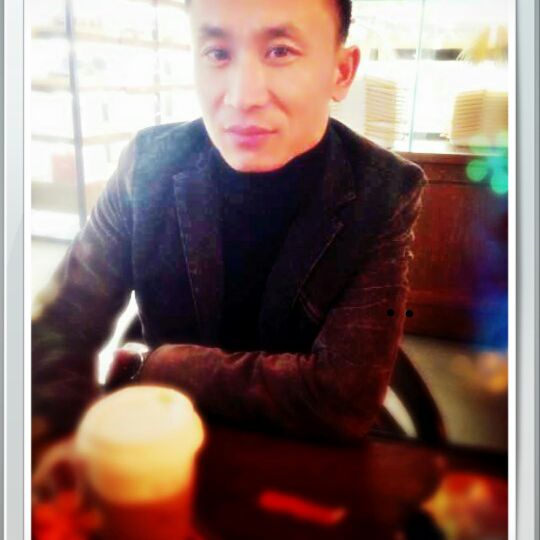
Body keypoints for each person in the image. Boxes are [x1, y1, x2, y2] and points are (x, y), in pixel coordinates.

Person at [32, 0, 427, 450]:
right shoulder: (150, 163)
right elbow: (58, 325)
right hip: (160, 442)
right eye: (217, 53)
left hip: (302, 456)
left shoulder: (384, 190)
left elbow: (343, 399)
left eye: (280, 51)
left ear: (341, 71)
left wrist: (161, 366)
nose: (242, 97)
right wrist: (59, 444)